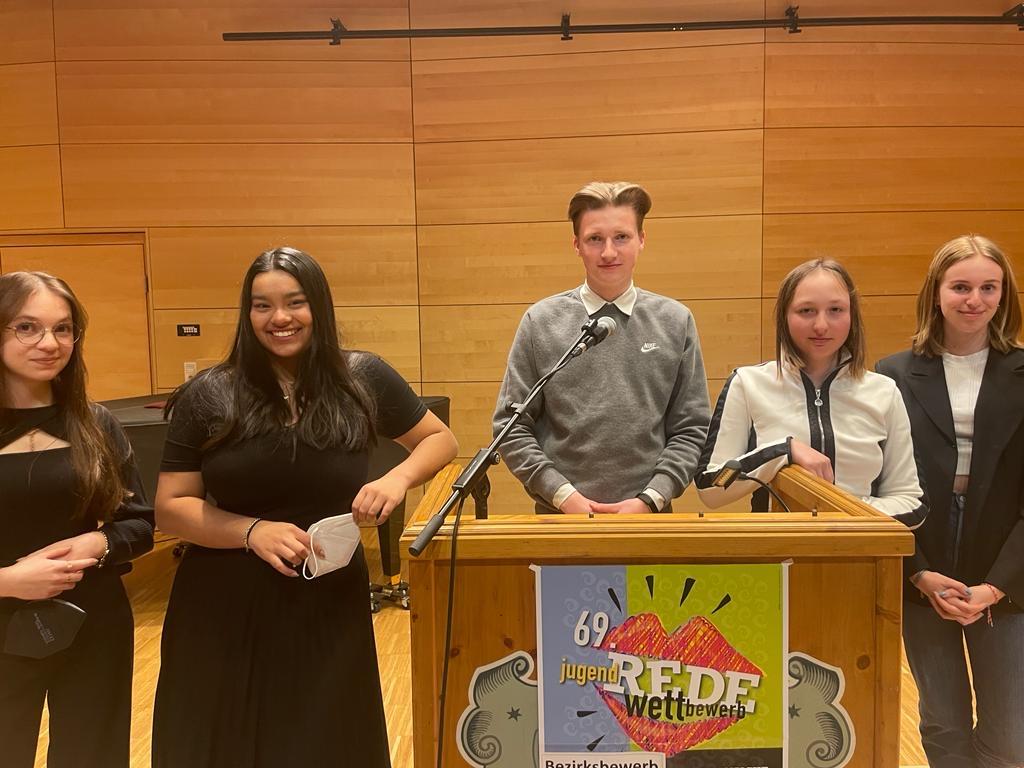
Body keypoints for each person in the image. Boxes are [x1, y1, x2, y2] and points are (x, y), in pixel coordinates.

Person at [152, 246, 458, 767]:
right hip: (224, 603)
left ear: (318, 305)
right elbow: (171, 507)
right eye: (262, 305)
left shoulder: (362, 375)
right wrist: (252, 531)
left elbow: (440, 439)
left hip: (327, 595)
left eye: (295, 302)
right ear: (247, 313)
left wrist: (396, 479)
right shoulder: (209, 393)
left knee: (325, 740)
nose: (280, 318)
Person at [876, 235, 1024, 768]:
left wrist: (996, 586)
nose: (975, 300)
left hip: (1006, 558)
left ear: (1004, 295)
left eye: (989, 288)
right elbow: (879, 486)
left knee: (1011, 736)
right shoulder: (892, 374)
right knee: (942, 722)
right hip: (926, 553)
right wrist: (917, 572)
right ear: (936, 293)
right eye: (961, 286)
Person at [0, 271, 154, 768]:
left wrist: (98, 545)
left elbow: (140, 524)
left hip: (93, 624)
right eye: (27, 327)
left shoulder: (97, 423)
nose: (49, 343)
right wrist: (8, 581)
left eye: (63, 329)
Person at [492, 181, 710, 515]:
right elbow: (512, 426)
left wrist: (651, 498)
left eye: (621, 237)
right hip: (560, 517)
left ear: (641, 240)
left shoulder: (675, 321)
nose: (608, 252)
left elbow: (691, 428)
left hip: (648, 518)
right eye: (595, 239)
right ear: (577, 245)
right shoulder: (541, 321)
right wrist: (563, 496)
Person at [696, 258, 927, 530]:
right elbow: (711, 486)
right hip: (775, 549)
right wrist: (783, 451)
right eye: (806, 310)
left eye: (835, 310)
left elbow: (912, 502)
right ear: (784, 315)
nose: (821, 325)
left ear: (852, 316)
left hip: (860, 550)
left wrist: (842, 515)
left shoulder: (884, 391)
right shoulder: (748, 383)